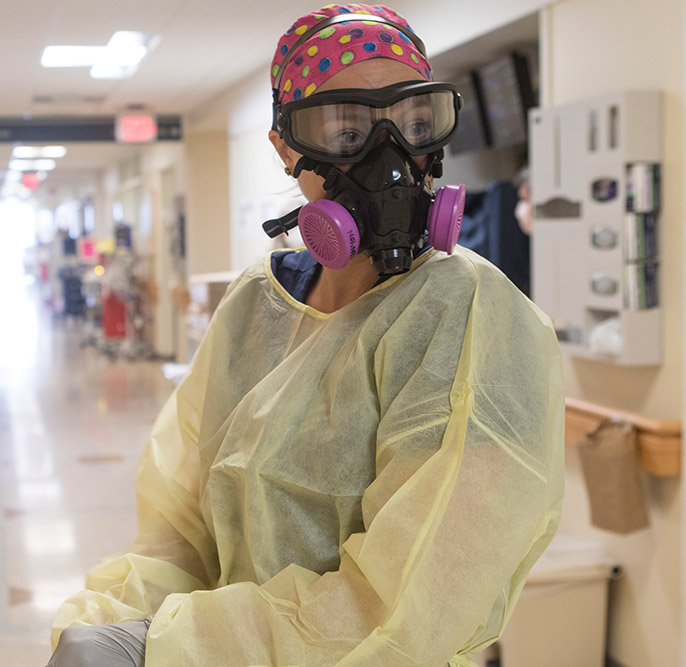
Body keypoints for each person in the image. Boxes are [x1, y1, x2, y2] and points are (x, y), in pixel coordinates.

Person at [47, 5, 564, 666]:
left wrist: (170, 644)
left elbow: (399, 613)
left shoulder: (475, 318)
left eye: (413, 121)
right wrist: (118, 617)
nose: (392, 157)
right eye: (347, 128)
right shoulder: (254, 306)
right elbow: (185, 529)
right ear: (286, 146)